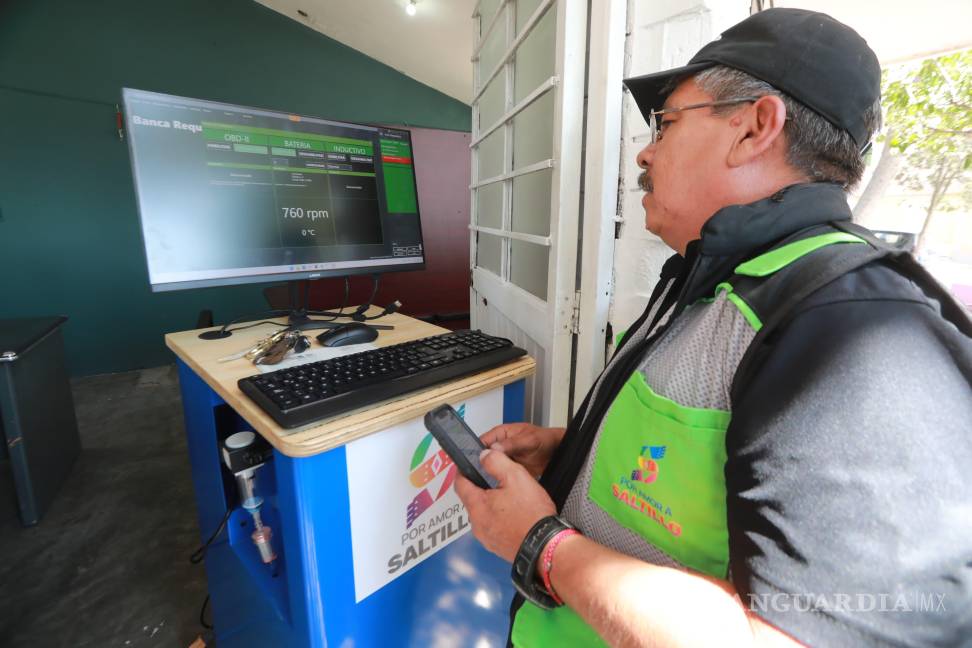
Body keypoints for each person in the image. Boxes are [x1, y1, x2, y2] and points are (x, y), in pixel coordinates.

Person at [455, 8, 972, 647]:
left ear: (755, 127)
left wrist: (540, 544)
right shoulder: (720, 275)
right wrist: (574, 451)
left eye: (666, 122)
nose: (645, 150)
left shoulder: (853, 330)